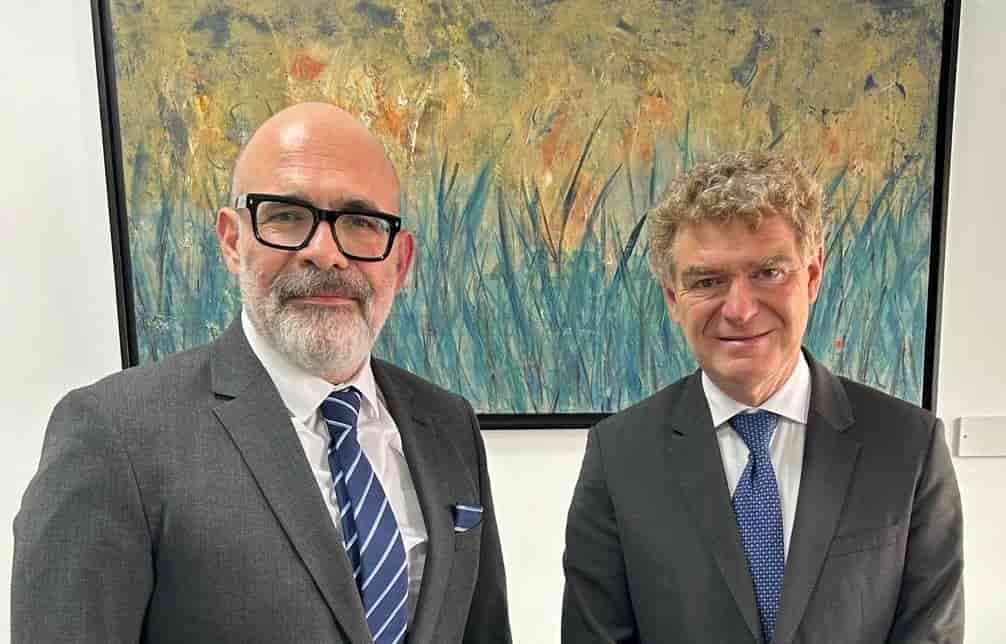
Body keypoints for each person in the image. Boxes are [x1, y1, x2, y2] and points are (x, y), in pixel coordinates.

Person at [13, 102, 511, 644]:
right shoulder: (115, 435)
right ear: (232, 241)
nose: (325, 253)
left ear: (401, 260)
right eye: (287, 216)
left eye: (361, 223)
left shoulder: (448, 425)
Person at [561, 151, 963, 644]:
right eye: (707, 281)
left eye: (768, 273)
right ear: (672, 298)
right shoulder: (619, 455)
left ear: (812, 276)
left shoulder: (908, 446)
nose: (740, 309)